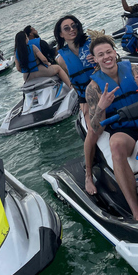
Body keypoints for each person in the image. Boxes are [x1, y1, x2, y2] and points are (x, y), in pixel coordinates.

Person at [85, 31, 138, 222]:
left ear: (115, 52)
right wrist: (101, 107)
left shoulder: (132, 69)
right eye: (101, 54)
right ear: (95, 59)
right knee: (116, 146)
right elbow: (95, 128)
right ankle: (136, 211)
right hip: (123, 128)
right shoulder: (93, 88)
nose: (106, 57)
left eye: (108, 52)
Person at [53, 15, 98, 195]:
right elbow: (70, 82)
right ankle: (88, 175)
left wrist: (99, 62)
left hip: (104, 89)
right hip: (85, 98)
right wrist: (82, 100)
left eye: (74, 26)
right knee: (92, 131)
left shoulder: (92, 44)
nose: (72, 29)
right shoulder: (60, 59)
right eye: (67, 28)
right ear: (60, 34)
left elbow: (112, 60)